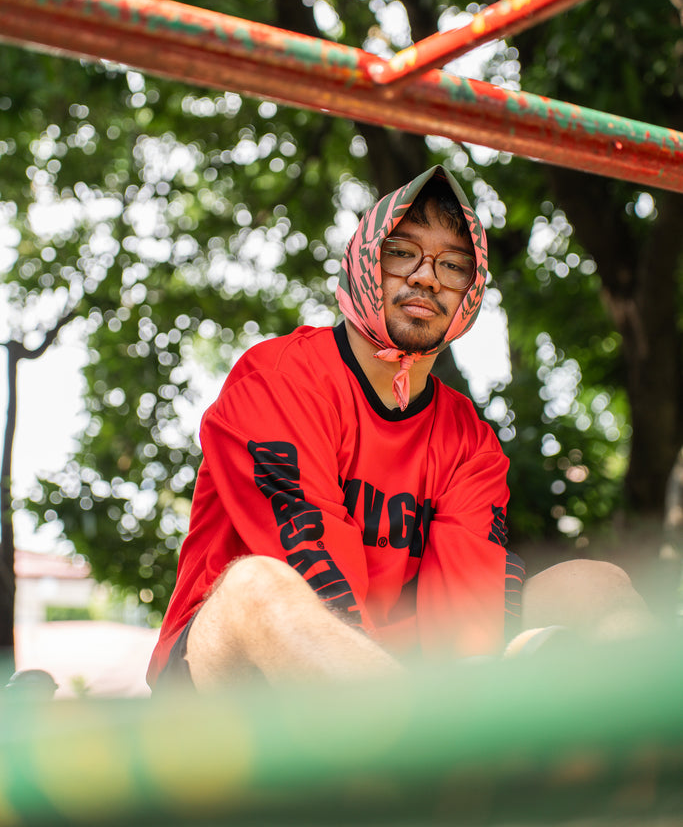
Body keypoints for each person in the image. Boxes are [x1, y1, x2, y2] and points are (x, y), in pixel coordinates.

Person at [147, 165, 652, 689]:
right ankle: (415, 735)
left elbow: (467, 597)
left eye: (454, 265)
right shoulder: (281, 377)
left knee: (597, 584)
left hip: (398, 669)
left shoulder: (469, 439)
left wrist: (470, 670)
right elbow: (311, 567)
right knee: (258, 587)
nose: (426, 276)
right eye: (402, 252)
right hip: (242, 674)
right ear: (365, 258)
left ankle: (647, 751)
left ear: (470, 294)